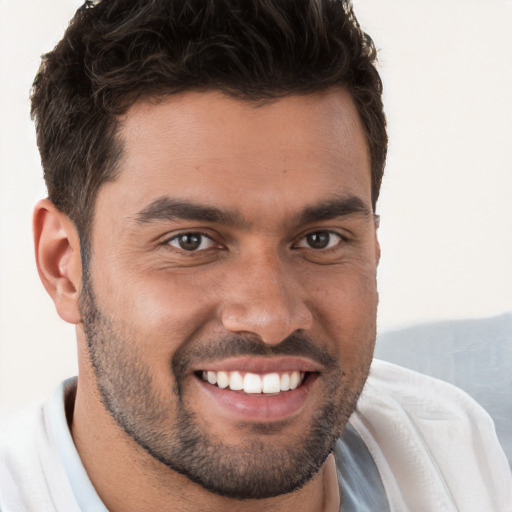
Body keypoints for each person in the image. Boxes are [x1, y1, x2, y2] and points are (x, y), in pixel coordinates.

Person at [0, 0, 510, 511]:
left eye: (319, 239)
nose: (271, 318)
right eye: (191, 242)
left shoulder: (452, 454)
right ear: (62, 265)